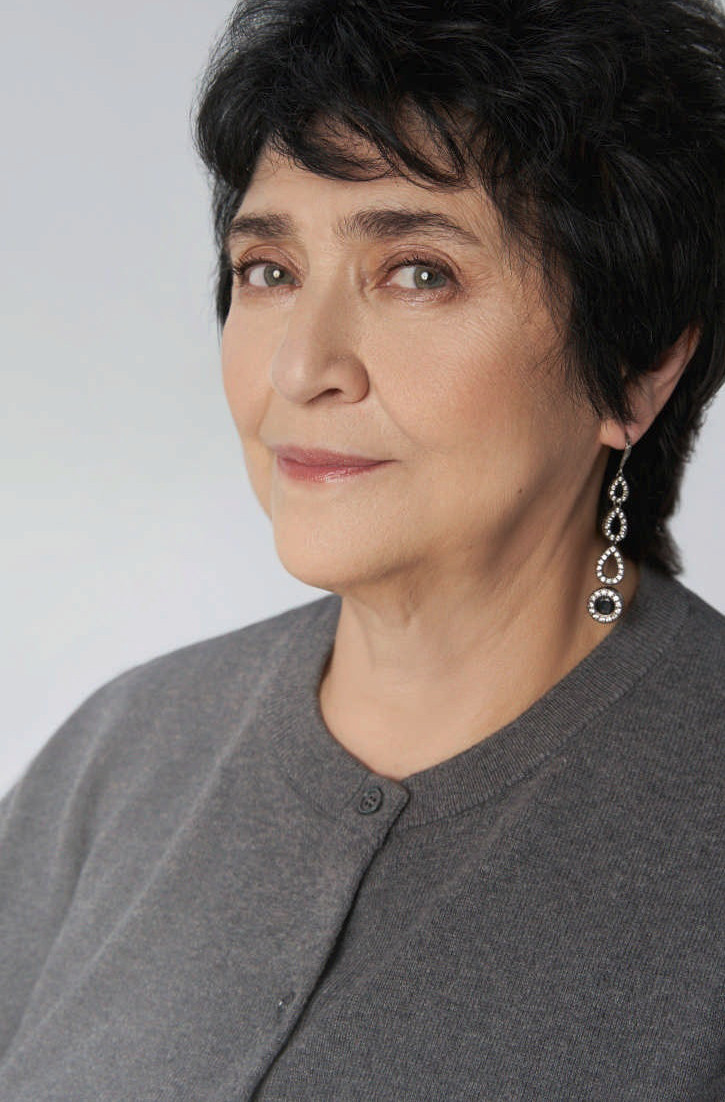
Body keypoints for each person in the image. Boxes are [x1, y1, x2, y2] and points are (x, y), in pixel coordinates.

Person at [1, 0, 724, 1097]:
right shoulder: (123, 754)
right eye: (269, 270)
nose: (301, 368)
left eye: (417, 272)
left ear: (635, 366)